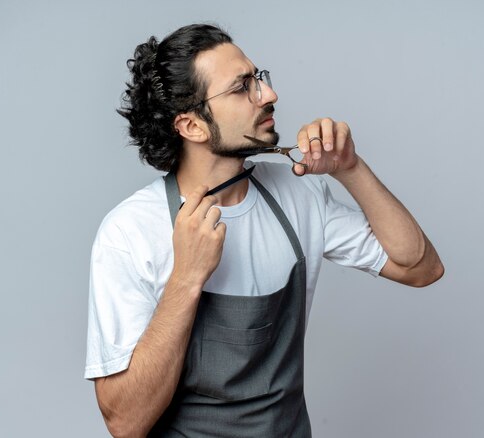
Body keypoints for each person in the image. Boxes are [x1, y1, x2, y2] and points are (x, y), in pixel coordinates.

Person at [85, 23, 444, 437]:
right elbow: (126, 423)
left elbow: (420, 267)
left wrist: (351, 169)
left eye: (259, 79)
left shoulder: (299, 195)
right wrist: (186, 277)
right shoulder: (130, 231)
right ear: (192, 126)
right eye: (242, 88)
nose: (269, 95)